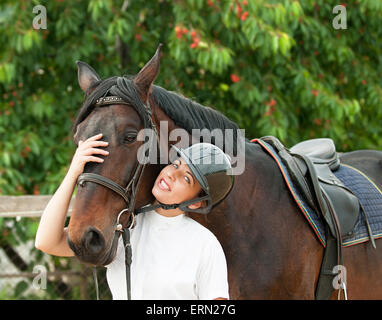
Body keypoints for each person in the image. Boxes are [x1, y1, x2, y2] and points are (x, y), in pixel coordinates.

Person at [35, 133, 234, 300]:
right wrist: (73, 172)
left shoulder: (205, 244)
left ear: (195, 203)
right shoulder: (123, 225)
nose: (172, 174)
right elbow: (47, 242)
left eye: (186, 178)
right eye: (176, 165)